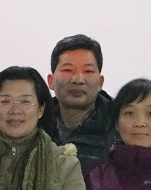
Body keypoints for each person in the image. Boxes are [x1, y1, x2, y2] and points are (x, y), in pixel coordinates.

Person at [46, 34, 113, 175]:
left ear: (100, 82)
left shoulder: (120, 126)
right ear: (51, 81)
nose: (78, 79)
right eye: (68, 70)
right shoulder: (35, 124)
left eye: (88, 71)